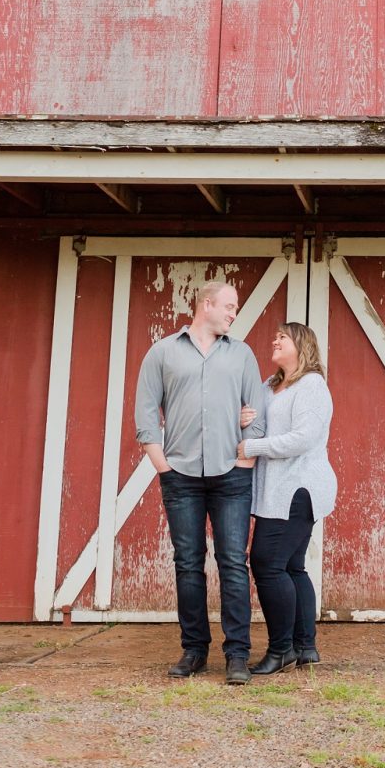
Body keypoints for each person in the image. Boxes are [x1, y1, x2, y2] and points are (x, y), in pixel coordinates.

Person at [134, 280, 264, 685]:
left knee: (233, 564)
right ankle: (194, 651)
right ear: (205, 304)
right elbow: (144, 413)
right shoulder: (162, 352)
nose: (233, 313)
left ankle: (237, 654)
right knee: (188, 564)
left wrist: (245, 457)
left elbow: (256, 412)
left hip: (231, 475)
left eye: (236, 308)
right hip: (181, 476)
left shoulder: (242, 354)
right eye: (229, 306)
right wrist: (162, 465)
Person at [238, 322, 337, 674]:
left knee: (267, 565)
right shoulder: (272, 385)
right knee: (292, 566)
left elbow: (303, 439)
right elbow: (260, 422)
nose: (274, 339)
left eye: (283, 336)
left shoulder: (311, 386)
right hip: (276, 488)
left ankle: (282, 650)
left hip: (297, 489)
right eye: (275, 334)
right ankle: (305, 646)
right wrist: (245, 420)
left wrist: (252, 446)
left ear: (302, 345)